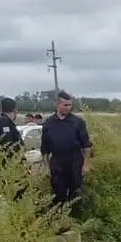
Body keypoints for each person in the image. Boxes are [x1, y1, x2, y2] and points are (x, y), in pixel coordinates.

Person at [40, 90, 93, 219]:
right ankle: (58, 220)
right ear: (58, 105)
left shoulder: (77, 122)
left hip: (74, 159)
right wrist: (46, 166)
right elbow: (45, 148)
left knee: (76, 192)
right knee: (58, 192)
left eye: (70, 105)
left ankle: (76, 221)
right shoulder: (49, 123)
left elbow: (86, 145)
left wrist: (86, 164)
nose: (68, 108)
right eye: (65, 105)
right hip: (57, 160)